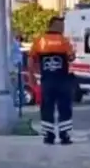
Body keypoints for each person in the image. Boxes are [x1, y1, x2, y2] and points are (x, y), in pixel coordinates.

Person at [28, 16, 75, 145]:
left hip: (47, 80)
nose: (63, 28)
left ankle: (49, 136)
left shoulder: (39, 41)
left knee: (47, 108)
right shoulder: (64, 42)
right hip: (62, 80)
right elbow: (71, 58)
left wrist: (31, 77)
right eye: (61, 26)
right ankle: (64, 135)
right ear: (54, 25)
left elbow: (31, 60)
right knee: (64, 108)